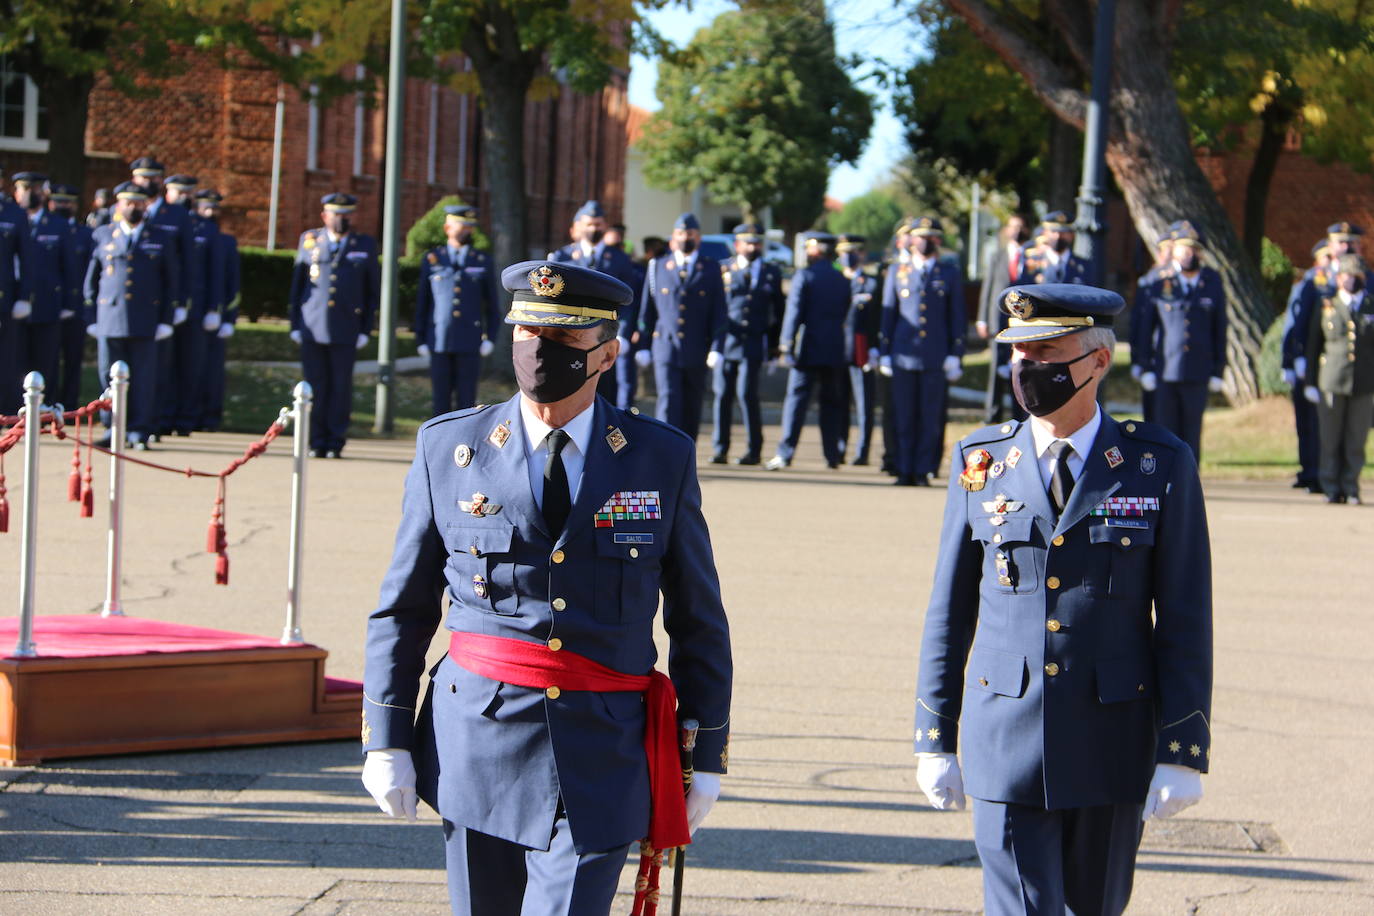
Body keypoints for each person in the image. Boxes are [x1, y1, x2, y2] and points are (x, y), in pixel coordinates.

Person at [360, 258, 732, 915]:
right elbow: (405, 605)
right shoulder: (451, 448)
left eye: (561, 340)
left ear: (607, 353)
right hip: (478, 739)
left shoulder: (657, 456)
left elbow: (697, 614)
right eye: (527, 334)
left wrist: (706, 751)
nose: (538, 351)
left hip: (604, 747)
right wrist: (385, 736)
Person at [914, 282, 1212, 916]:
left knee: (1095, 907)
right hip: (1004, 733)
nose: (1029, 371)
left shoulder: (1156, 464)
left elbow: (1185, 617)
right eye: (1019, 355)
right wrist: (933, 735)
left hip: (1111, 737)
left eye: (1047, 354)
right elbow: (950, 609)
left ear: (1097, 362)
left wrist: (1183, 750)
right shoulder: (980, 459)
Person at [83, 182, 176, 450]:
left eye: (138, 203)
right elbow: (92, 280)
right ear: (119, 205)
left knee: (143, 379)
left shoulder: (160, 237)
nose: (133, 207)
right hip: (109, 318)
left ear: (146, 205)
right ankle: (112, 428)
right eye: (128, 202)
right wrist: (91, 317)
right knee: (108, 377)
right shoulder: (103, 234)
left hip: (145, 318)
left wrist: (167, 319)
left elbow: (171, 282)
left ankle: (139, 430)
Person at [288, 193, 379, 458]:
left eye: (346, 214)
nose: (342, 219)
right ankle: (316, 440)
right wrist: (294, 323)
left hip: (346, 327)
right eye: (336, 214)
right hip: (312, 325)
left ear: (354, 217)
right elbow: (298, 286)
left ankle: (335, 440)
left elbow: (371, 291)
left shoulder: (364, 244)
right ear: (325, 216)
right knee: (315, 385)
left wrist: (365, 328)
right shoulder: (309, 241)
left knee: (340, 387)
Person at [879, 216, 965, 486]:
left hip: (935, 356)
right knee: (904, 415)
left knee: (931, 417)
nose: (925, 242)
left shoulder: (948, 273)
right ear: (911, 240)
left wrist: (955, 353)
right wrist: (884, 350)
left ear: (938, 240)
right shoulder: (897, 271)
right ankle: (904, 469)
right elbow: (888, 315)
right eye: (920, 236)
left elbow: (957, 316)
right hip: (903, 354)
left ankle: (926, 468)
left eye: (931, 237)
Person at [1133, 221, 1227, 460]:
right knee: (1164, 434)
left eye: (1194, 249)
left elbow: (1220, 328)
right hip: (1165, 371)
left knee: (1192, 435)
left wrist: (1218, 369)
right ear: (1174, 250)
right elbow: (1146, 326)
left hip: (1198, 371)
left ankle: (1189, 486)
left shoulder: (1212, 281)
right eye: (1184, 249)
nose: (1189, 254)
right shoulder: (1159, 280)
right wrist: (1144, 365)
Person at [1284, 226, 1364, 493]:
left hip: (1357, 372)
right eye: (1340, 243)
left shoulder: (1365, 278)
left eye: (1351, 243)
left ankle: (1344, 482)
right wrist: (1295, 360)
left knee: (1352, 432)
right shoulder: (1315, 279)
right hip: (1322, 366)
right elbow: (1301, 322)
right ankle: (1317, 475)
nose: (1346, 247)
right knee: (1319, 427)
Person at [635, 212, 726, 440]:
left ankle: (687, 450)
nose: (686, 237)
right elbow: (648, 310)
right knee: (668, 399)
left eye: (691, 233)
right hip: (665, 345)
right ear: (673, 238)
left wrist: (717, 346)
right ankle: (666, 452)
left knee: (692, 403)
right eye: (681, 233)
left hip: (697, 347)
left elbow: (719, 311)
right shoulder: (658, 266)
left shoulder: (711, 268)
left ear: (699, 238)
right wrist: (644, 345)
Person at [766, 231, 851, 470]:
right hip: (834, 348)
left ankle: (785, 453)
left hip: (808, 348)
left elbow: (794, 312)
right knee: (831, 403)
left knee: (796, 402)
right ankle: (832, 455)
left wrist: (786, 344)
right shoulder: (841, 278)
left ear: (814, 250)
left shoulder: (805, 275)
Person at [551, 200, 642, 409]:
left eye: (598, 224)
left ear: (605, 226)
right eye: (589, 224)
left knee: (607, 393)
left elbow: (629, 300)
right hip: (572, 335)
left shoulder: (620, 259)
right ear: (579, 226)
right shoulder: (562, 257)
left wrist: (624, 333)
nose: (594, 228)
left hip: (607, 334)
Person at [414, 204, 500, 417]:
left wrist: (490, 337)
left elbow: (492, 303)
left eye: (469, 227)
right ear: (447, 228)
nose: (466, 231)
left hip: (470, 339)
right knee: (440, 400)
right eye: (461, 226)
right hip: (439, 338)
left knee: (466, 399)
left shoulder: (482, 261)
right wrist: (420, 338)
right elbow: (423, 301)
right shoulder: (433, 259)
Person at [709, 222, 784, 465]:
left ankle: (754, 450)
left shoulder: (771, 272)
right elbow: (716, 310)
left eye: (757, 242)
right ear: (738, 244)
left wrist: (774, 346)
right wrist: (713, 343)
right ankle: (720, 448)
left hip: (753, 342)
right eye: (748, 242)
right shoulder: (723, 269)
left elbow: (778, 312)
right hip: (727, 342)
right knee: (722, 395)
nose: (753, 247)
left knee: (746, 394)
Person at [1302, 254, 1374, 505]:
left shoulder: (1371, 306)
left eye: (1356, 276)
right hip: (1331, 380)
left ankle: (1351, 487)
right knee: (1330, 439)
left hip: (1364, 382)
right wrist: (1310, 382)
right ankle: (1331, 486)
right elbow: (1314, 346)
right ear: (1338, 278)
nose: (1351, 280)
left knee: (1356, 439)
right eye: (1347, 275)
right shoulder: (1327, 306)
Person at [11, 173, 80, 405]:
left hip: (47, 304)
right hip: (12, 305)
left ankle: (44, 412)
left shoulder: (58, 226)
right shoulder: (9, 219)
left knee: (45, 363)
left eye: (36, 188)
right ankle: (12, 411)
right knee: (13, 363)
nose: (31, 193)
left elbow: (69, 267)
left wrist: (69, 303)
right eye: (25, 188)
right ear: (16, 192)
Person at [191, 189, 240, 432]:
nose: (210, 213)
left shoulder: (227, 242)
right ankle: (190, 414)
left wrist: (228, 317)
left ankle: (211, 417)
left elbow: (232, 283)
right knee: (192, 368)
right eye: (205, 207)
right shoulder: (191, 240)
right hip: (195, 315)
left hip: (216, 316)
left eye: (214, 208)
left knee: (213, 372)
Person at [976, 214, 1030, 423]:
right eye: (1013, 226)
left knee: (1019, 368)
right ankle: (992, 415)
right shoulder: (997, 256)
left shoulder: (1031, 257)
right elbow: (987, 289)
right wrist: (982, 319)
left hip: (1021, 322)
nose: (1016, 230)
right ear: (1007, 230)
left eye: (1020, 226)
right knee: (995, 372)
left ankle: (1020, 416)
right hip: (997, 321)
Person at [49, 182, 94, 409]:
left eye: (68, 202)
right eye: (59, 201)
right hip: (49, 305)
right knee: (47, 358)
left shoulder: (85, 234)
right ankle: (47, 400)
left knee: (73, 358)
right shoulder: (44, 229)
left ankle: (69, 404)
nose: (63, 205)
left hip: (75, 305)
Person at [838, 233, 881, 465]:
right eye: (844, 252)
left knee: (864, 403)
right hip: (837, 351)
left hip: (861, 351)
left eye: (853, 252)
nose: (848, 256)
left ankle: (862, 451)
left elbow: (876, 320)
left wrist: (875, 349)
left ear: (862, 254)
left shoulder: (871, 283)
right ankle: (839, 448)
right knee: (839, 401)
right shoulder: (835, 280)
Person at [1129, 234, 1176, 424]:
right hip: (1153, 357)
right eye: (1168, 251)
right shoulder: (1150, 281)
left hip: (1170, 361)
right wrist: (1138, 360)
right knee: (1153, 417)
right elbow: (1139, 324)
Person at [0, 172, 33, 415]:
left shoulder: (14, 213)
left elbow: (26, 258)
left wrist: (23, 296)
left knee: (6, 360)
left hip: (4, 298)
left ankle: (5, 411)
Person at [1016, 211, 1091, 286]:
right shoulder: (1031, 261)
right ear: (1044, 233)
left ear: (1072, 235)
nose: (1057, 236)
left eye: (1063, 232)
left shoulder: (1083, 265)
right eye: (1053, 231)